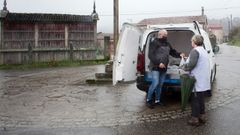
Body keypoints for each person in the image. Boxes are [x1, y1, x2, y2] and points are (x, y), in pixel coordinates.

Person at [146, 29, 185, 109]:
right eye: (164, 35)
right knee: (155, 83)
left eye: (166, 35)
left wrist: (180, 54)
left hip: (164, 67)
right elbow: (150, 55)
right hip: (155, 67)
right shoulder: (154, 43)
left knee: (160, 85)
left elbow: (172, 52)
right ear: (160, 35)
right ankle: (149, 99)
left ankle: (157, 100)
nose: (166, 36)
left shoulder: (167, 43)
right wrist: (158, 63)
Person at [183, 35, 210, 126]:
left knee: (195, 99)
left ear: (194, 42)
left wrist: (183, 67)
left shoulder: (195, 51)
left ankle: (195, 119)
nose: (191, 42)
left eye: (192, 41)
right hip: (203, 78)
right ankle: (202, 116)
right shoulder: (203, 50)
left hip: (197, 79)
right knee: (200, 98)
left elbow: (191, 65)